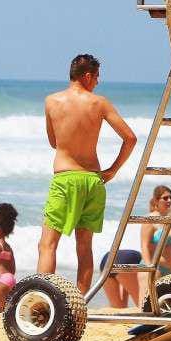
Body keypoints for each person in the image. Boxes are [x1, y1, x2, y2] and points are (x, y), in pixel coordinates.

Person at [37, 54, 137, 294]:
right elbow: (130, 138)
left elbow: (54, 142)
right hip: (93, 180)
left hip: (65, 177)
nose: (98, 82)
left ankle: (42, 298)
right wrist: (112, 170)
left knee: (48, 245)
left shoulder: (51, 101)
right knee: (84, 247)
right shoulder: (99, 103)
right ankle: (79, 303)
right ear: (88, 75)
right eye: (97, 77)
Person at [139, 184, 171, 300]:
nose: (169, 200)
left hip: (170, 270)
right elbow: (144, 246)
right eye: (165, 198)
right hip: (154, 268)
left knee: (168, 308)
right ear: (156, 200)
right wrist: (149, 269)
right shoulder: (150, 219)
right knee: (147, 305)